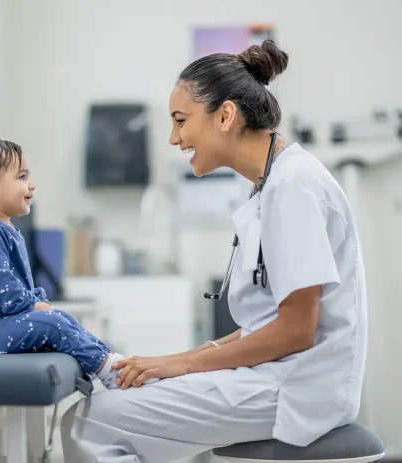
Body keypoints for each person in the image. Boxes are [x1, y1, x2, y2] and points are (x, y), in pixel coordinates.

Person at [60, 39, 369, 462]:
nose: (173, 137)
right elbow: (268, 320)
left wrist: (184, 364)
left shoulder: (292, 186)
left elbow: (296, 329)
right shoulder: (272, 183)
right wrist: (180, 358)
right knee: (133, 400)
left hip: (298, 386)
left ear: (225, 115)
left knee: (89, 421)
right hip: (279, 376)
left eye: (180, 120)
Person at [0, 137, 158, 390]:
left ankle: (112, 361)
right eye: (22, 177)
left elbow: (16, 283)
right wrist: (32, 305)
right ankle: (109, 370)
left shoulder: (0, 227)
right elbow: (0, 285)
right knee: (53, 324)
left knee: (62, 318)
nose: (31, 185)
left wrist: (35, 302)